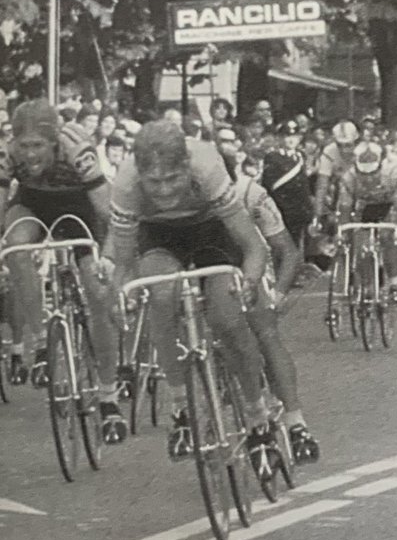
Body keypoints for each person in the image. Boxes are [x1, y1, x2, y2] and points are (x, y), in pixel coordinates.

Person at [108, 120, 273, 458]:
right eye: (154, 182)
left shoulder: (207, 164)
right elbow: (124, 266)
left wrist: (249, 281)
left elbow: (253, 246)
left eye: (173, 178)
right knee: (160, 293)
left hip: (212, 231)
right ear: (140, 175)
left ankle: (258, 414)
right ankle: (181, 407)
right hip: (159, 237)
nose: (164, 191)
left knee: (227, 319)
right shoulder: (126, 183)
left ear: (186, 166)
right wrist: (123, 298)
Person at [0, 100, 125, 441]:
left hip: (81, 209)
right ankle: (42, 343)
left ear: (54, 141)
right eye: (24, 146)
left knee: (97, 296)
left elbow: (109, 212)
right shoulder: (7, 153)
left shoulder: (77, 149)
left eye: (38, 145)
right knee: (15, 245)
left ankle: (108, 396)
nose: (30, 155)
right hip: (33, 205)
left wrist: (108, 258)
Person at [216, 132, 319, 462]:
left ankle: (296, 422)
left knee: (266, 333)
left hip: (251, 265)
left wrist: (277, 294)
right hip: (210, 268)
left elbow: (287, 251)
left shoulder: (251, 194)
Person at [335, 140, 397, 303]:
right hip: (362, 212)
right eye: (364, 174)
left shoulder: (393, 175)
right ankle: (366, 285)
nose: (368, 179)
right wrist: (343, 233)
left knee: (388, 238)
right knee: (360, 243)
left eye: (373, 173)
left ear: (380, 166)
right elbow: (345, 210)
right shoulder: (349, 178)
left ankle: (394, 284)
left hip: (387, 210)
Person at [261, 120, 313, 252]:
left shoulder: (300, 157)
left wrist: (308, 209)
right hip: (282, 209)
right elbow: (269, 186)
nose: (290, 140)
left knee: (297, 247)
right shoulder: (273, 157)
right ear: (279, 138)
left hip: (299, 211)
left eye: (294, 136)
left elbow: (303, 186)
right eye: (286, 136)